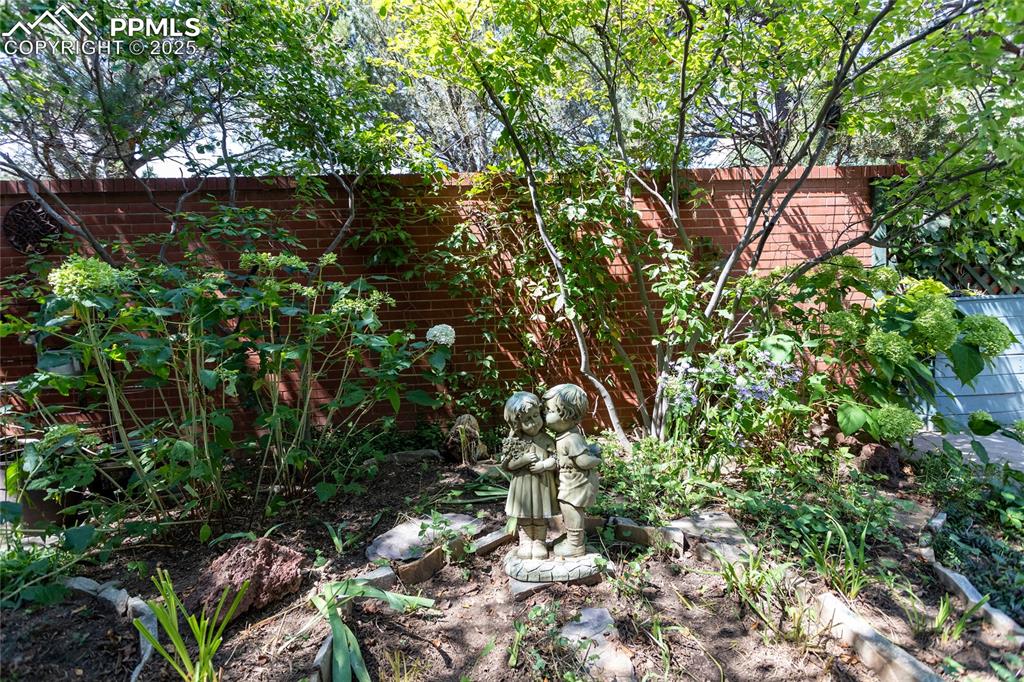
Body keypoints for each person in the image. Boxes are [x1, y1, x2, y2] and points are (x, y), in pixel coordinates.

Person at [542, 383, 601, 558]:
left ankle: (575, 545)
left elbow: (582, 460)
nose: (545, 414)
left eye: (549, 411)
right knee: (567, 509)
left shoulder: (571, 439)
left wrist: (597, 459)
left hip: (577, 484)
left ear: (567, 414)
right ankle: (572, 538)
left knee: (571, 510)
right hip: (570, 483)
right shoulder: (564, 435)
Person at [500, 391, 558, 559]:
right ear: (517, 424)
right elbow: (507, 465)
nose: (534, 423)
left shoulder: (546, 439)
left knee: (540, 515)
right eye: (527, 420)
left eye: (535, 415)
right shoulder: (515, 442)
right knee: (524, 516)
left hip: (542, 485)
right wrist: (523, 460)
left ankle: (539, 541)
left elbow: (556, 459)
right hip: (523, 486)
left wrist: (544, 465)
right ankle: (525, 541)